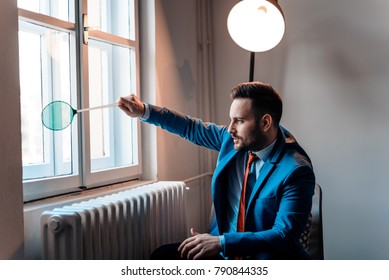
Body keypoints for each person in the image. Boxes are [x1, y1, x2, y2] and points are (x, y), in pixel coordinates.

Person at [117, 81, 315, 260]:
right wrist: (144, 111)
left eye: (239, 120)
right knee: (162, 257)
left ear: (265, 123)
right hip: (223, 253)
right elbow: (191, 128)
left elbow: (283, 236)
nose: (230, 129)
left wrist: (222, 242)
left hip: (262, 258)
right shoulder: (233, 140)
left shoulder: (296, 170)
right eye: (231, 120)